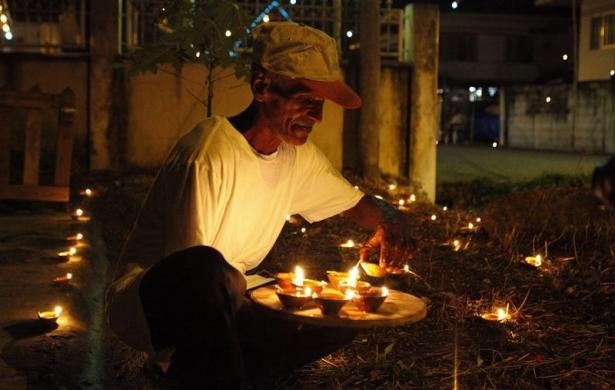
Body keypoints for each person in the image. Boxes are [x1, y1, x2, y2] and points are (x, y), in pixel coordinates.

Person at [105, 22, 417, 389]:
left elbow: (355, 202)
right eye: (305, 99)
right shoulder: (208, 154)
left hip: (229, 294)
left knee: (340, 315)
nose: (316, 116)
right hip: (153, 304)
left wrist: (391, 221)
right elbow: (191, 276)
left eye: (320, 104)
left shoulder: (296, 156)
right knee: (210, 272)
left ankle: (214, 372)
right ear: (262, 87)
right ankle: (200, 369)